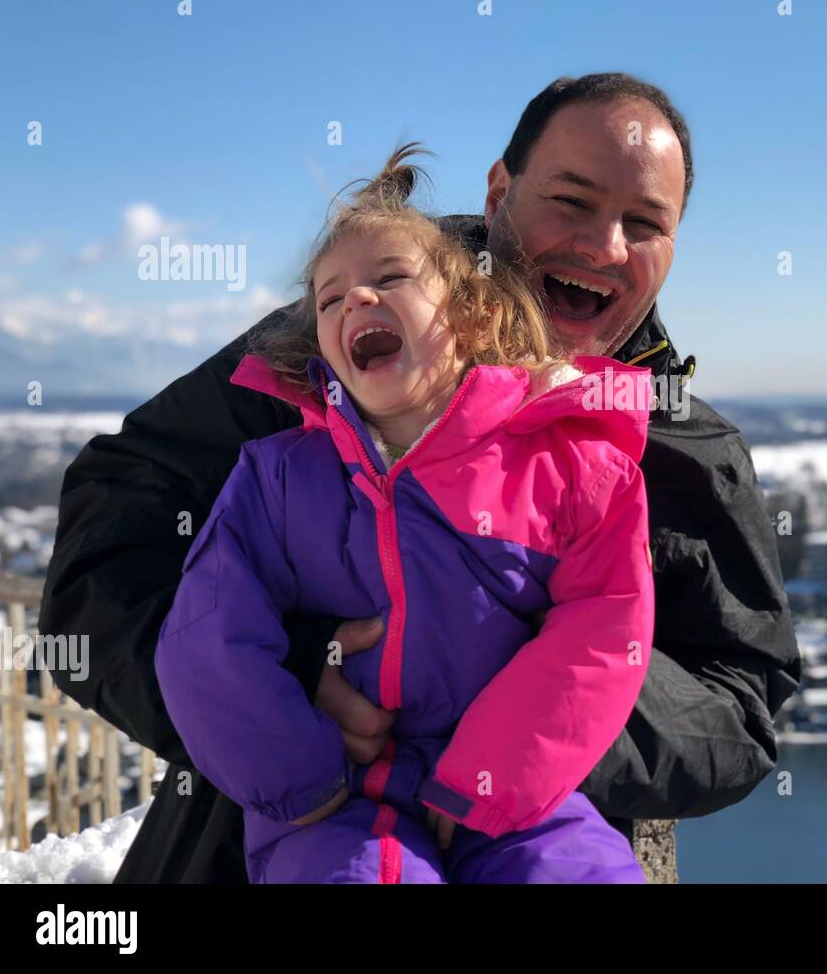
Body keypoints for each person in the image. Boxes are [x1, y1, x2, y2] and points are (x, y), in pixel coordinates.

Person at [39, 72, 802, 884]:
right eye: (572, 201)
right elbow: (104, 551)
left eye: (644, 222)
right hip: (271, 845)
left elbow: (742, 705)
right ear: (500, 190)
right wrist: (289, 672)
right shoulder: (329, 355)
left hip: (541, 849)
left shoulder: (681, 439)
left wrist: (527, 703)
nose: (604, 244)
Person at [154, 143, 654, 883]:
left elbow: (606, 628)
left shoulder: (565, 467)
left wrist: (492, 775)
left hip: (518, 804)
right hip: (339, 805)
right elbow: (206, 636)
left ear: (470, 313)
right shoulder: (279, 476)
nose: (356, 300)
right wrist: (299, 779)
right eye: (329, 300)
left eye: (389, 278)